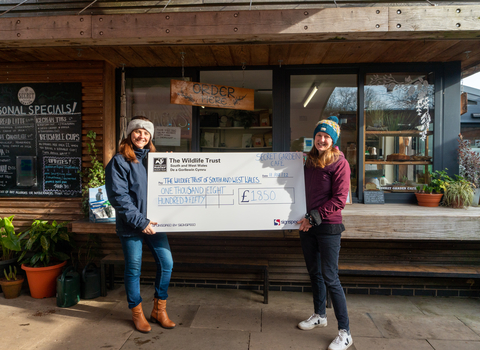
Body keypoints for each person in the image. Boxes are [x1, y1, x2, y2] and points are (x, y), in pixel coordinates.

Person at [105, 116, 175, 333]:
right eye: (137, 131)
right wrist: (140, 222)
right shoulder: (119, 161)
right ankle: (137, 313)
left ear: (150, 137)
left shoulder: (154, 160)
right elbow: (119, 197)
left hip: (154, 224)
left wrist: (175, 166)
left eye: (146, 133)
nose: (141, 136)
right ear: (129, 134)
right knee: (134, 269)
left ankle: (159, 310)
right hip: (131, 225)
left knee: (167, 263)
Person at [297, 116, 353, 350]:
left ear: (333, 140)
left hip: (327, 226)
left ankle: (345, 332)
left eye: (327, 137)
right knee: (315, 273)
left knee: (330, 277)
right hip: (307, 226)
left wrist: (313, 217)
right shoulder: (308, 161)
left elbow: (340, 199)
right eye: (319, 135)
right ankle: (320, 315)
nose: (322, 139)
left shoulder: (340, 163)